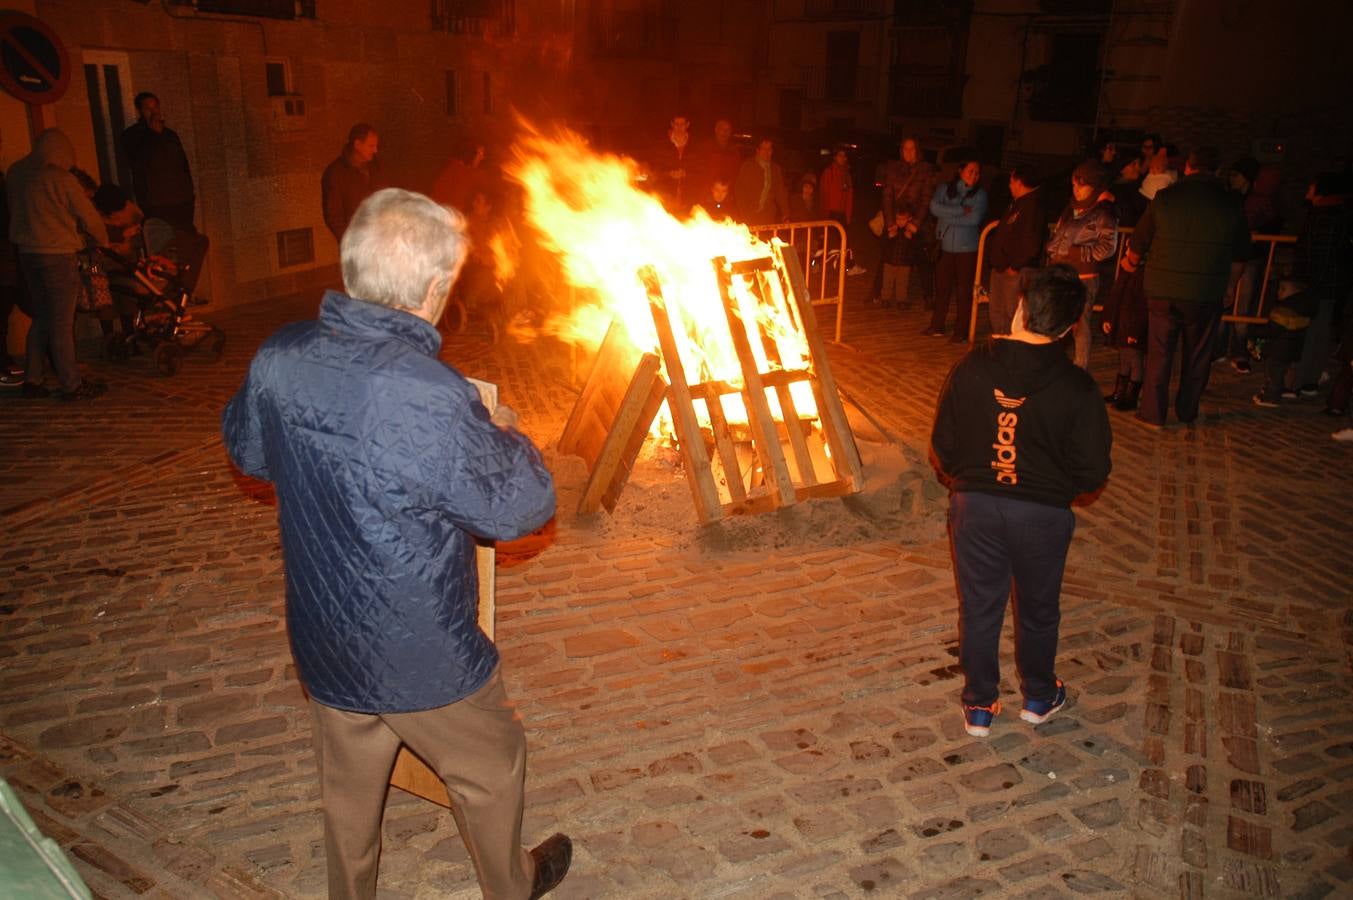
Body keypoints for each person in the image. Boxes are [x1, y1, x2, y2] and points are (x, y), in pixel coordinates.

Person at [221, 188, 572, 900]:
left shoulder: (279, 355)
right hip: (420, 649)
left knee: (349, 794)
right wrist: (500, 429)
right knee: (493, 763)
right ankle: (513, 885)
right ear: (436, 287)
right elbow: (519, 508)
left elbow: (250, 453)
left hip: (324, 634)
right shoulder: (428, 391)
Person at [930, 264, 1112, 738]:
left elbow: (943, 446)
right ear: (1071, 327)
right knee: (1037, 607)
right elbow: (1093, 471)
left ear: (1021, 308)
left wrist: (976, 476)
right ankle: (1037, 694)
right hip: (1042, 514)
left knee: (980, 606)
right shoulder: (1077, 387)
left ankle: (979, 705)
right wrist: (1050, 488)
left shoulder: (972, 366)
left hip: (976, 507)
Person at [1123, 146, 1251, 428]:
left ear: (1188, 169)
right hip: (1206, 292)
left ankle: (1153, 413)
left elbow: (1138, 242)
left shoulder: (1166, 198)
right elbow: (1240, 255)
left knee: (1159, 353)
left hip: (1162, 289)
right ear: (1216, 172)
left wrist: (1130, 263)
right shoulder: (1230, 205)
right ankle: (1187, 410)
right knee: (1198, 355)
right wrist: (1230, 285)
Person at [7, 128, 108, 401]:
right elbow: (88, 216)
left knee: (41, 317)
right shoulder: (60, 178)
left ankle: (33, 379)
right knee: (62, 322)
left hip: (27, 253)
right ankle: (71, 384)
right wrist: (103, 240)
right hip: (58, 254)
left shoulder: (16, 173)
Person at [1045, 160, 1118, 369]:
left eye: (1081, 184)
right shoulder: (1071, 208)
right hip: (1061, 272)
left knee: (1081, 325)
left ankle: (1080, 367)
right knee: (1057, 319)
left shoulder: (1104, 212)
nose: (1075, 189)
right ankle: (1053, 363)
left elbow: (1107, 247)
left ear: (1094, 186)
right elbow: (1060, 234)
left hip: (1083, 277)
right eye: (1074, 184)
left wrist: (1076, 253)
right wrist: (1052, 248)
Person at [1290, 173, 1353, 397]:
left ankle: (1305, 381)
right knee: (1318, 330)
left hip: (1320, 284)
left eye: (1311, 188)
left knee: (1313, 332)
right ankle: (1307, 380)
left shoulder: (1327, 216)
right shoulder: (1330, 214)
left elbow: (1322, 254)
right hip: (1325, 283)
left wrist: (1309, 285)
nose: (1307, 192)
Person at [924, 158, 988, 341]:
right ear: (960, 170)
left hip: (967, 249)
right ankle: (937, 325)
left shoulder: (980, 195)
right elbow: (934, 207)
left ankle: (961, 330)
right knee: (942, 288)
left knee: (963, 290)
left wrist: (947, 215)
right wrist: (961, 210)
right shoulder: (945, 189)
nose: (974, 175)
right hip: (944, 245)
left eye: (977, 172)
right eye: (970, 171)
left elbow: (974, 219)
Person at [120, 92, 197, 233]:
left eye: (156, 107)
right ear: (140, 111)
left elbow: (182, 164)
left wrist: (189, 192)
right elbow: (141, 162)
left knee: (186, 237)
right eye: (148, 109)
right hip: (156, 202)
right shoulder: (132, 136)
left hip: (181, 199)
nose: (154, 112)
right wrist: (154, 135)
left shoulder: (170, 135)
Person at [872, 136, 934, 305]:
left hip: (915, 220)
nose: (908, 152)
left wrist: (915, 223)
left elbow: (926, 198)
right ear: (901, 150)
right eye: (905, 148)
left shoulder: (925, 169)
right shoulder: (892, 169)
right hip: (895, 218)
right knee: (887, 255)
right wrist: (891, 223)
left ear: (917, 150)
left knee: (922, 259)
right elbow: (887, 197)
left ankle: (929, 295)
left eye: (912, 148)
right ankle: (876, 293)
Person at [985, 165, 1044, 335]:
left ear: (1019, 182)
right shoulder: (1017, 203)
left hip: (1015, 271)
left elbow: (1031, 242)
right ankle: (1000, 345)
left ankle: (1013, 347)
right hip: (1002, 267)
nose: (1009, 186)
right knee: (998, 311)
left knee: (1013, 313)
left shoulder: (1032, 206)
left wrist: (1015, 266)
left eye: (1011, 181)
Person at [1251, 279, 1316, 408]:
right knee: (1287, 370)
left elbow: (1273, 330)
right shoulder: (1305, 308)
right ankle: (1288, 389)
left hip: (1279, 349)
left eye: (1283, 289)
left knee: (1274, 373)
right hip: (1294, 348)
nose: (1278, 292)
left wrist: (1256, 332)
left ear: (1295, 292)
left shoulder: (1284, 309)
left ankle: (1271, 397)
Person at [321, 123, 382, 241]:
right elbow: (334, 217)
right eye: (371, 146)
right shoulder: (335, 174)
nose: (375, 150)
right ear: (358, 145)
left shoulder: (376, 166)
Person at [733, 136, 789, 226]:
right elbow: (740, 190)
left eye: (769, 149)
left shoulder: (775, 169)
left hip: (767, 217)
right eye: (764, 149)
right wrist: (744, 212)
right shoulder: (748, 166)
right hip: (748, 215)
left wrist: (785, 213)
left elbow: (780, 192)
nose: (767, 152)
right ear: (758, 150)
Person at [429, 138, 485, 212]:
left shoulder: (467, 173)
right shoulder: (455, 169)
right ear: (471, 152)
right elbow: (439, 194)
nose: (481, 157)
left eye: (483, 154)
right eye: (480, 153)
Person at [652, 114, 693, 212]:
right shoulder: (662, 145)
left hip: (688, 200)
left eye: (682, 124)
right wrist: (669, 174)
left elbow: (701, 169)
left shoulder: (694, 145)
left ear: (687, 125)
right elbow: (655, 170)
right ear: (672, 124)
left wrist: (686, 174)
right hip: (665, 199)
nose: (679, 127)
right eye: (676, 124)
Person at [696, 118, 742, 204]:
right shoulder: (706, 147)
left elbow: (736, 174)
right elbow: (699, 173)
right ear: (716, 130)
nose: (724, 132)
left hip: (726, 197)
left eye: (727, 130)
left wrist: (730, 193)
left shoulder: (734, 150)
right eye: (722, 129)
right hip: (706, 196)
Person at [819, 145, 854, 227]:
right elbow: (823, 194)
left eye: (844, 156)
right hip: (830, 213)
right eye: (840, 155)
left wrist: (848, 216)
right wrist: (823, 215)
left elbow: (849, 197)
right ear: (835, 157)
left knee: (842, 238)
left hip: (842, 214)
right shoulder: (828, 172)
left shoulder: (847, 175)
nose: (842, 158)